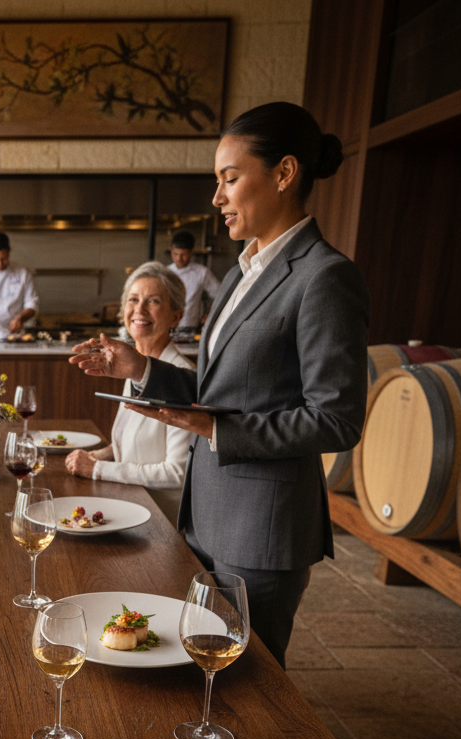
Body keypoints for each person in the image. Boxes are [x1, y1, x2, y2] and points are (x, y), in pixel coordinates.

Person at [70, 102, 369, 669]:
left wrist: (217, 428)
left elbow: (337, 420)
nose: (217, 197)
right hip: (204, 517)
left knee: (252, 683)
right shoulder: (239, 272)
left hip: (261, 530)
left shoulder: (325, 277)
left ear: (284, 173)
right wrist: (140, 370)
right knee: (202, 673)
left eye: (230, 179)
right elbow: (218, 387)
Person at [65, 262, 193, 524]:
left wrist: (98, 469)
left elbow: (177, 472)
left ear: (176, 316)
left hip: (160, 522)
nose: (139, 309)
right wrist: (101, 454)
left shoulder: (182, 378)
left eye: (153, 301)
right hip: (129, 505)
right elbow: (143, 444)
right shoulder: (136, 366)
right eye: (133, 299)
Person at [166, 230, 219, 330]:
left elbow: (219, 294)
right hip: (167, 326)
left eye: (183, 255)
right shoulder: (166, 272)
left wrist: (209, 312)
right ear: (171, 252)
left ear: (191, 253)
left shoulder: (202, 272)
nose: (179, 259)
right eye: (175, 254)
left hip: (190, 327)